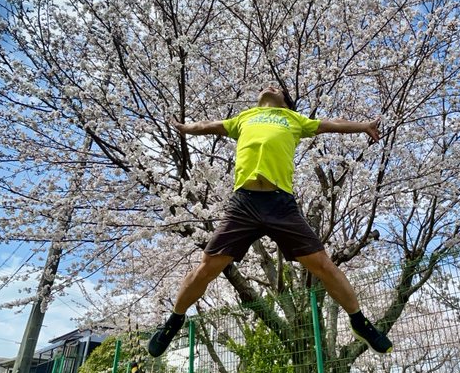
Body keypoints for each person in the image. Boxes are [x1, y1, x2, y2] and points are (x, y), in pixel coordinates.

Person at [148, 85, 393, 357]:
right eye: (267, 86)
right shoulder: (244, 117)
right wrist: (186, 128)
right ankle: (174, 320)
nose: (270, 86)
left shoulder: (293, 119)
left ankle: (359, 321)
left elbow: (332, 123)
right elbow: (210, 125)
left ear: (286, 103)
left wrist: (364, 126)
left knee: (323, 265)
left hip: (281, 205)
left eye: (279, 88)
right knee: (207, 267)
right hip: (244, 204)